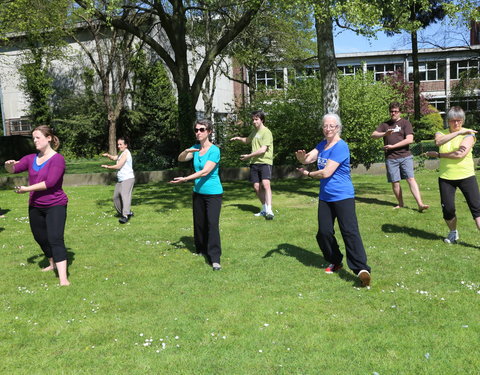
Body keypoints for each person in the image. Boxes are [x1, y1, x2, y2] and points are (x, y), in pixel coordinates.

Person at [296, 114, 371, 287]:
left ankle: (361, 269)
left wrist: (308, 173)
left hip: (343, 196)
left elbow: (326, 173)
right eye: (325, 126)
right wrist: (302, 159)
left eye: (332, 126)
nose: (328, 129)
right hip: (325, 197)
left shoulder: (341, 147)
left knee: (349, 232)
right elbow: (308, 158)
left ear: (338, 128)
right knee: (324, 232)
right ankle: (335, 260)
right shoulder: (322, 144)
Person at [4, 125, 70, 286]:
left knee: (55, 239)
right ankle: (51, 262)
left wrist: (27, 189)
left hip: (55, 205)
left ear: (48, 138)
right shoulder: (30, 158)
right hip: (35, 205)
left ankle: (63, 278)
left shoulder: (57, 159)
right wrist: (8, 164)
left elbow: (50, 182)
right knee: (40, 237)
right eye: (33, 138)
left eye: (38, 137)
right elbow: (13, 170)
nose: (35, 141)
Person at [170, 119, 223, 271]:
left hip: (213, 193)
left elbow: (205, 171)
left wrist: (185, 179)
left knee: (212, 224)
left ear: (209, 132)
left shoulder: (214, 151)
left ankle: (215, 258)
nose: (198, 132)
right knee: (199, 223)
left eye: (202, 129)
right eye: (196, 130)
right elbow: (181, 159)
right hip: (198, 192)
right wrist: (187, 151)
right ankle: (201, 249)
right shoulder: (195, 148)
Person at [424, 106, 480, 243]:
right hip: (446, 178)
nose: (456, 124)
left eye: (459, 121)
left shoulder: (469, 134)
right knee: (448, 210)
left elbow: (460, 153)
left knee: (477, 210)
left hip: (466, 176)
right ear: (448, 121)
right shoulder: (441, 133)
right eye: (453, 121)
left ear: (463, 120)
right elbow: (438, 142)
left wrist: (439, 155)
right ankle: (453, 233)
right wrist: (457, 133)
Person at [371, 102, 429, 211]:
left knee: (410, 179)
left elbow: (409, 140)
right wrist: (384, 134)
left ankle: (420, 204)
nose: (393, 113)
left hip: (405, 156)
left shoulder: (405, 123)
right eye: (391, 111)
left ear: (400, 112)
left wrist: (393, 146)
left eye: (395, 111)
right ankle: (400, 203)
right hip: (391, 158)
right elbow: (373, 135)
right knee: (395, 181)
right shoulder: (385, 125)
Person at [230, 110, 274, 219]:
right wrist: (238, 138)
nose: (254, 122)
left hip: (264, 161)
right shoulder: (254, 132)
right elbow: (247, 140)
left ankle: (269, 210)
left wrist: (248, 156)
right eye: (253, 120)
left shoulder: (266, 132)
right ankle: (264, 209)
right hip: (254, 163)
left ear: (262, 120)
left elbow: (263, 150)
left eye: (256, 119)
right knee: (256, 186)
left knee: (265, 184)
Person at [101, 137, 135, 224]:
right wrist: (108, 155)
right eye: (118, 144)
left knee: (125, 196)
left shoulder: (126, 153)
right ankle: (126, 212)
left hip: (128, 178)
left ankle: (125, 216)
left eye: (121, 144)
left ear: (126, 145)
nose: (119, 146)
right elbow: (115, 158)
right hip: (121, 179)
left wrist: (107, 166)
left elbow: (118, 166)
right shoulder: (121, 153)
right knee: (116, 197)